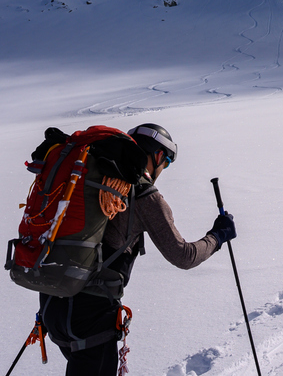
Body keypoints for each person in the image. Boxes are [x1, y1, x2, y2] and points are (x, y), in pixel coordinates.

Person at [38, 123, 236, 376]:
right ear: (157, 155)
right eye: (167, 162)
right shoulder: (143, 193)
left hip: (52, 302)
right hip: (90, 315)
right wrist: (217, 236)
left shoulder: (91, 181)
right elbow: (183, 256)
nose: (164, 168)